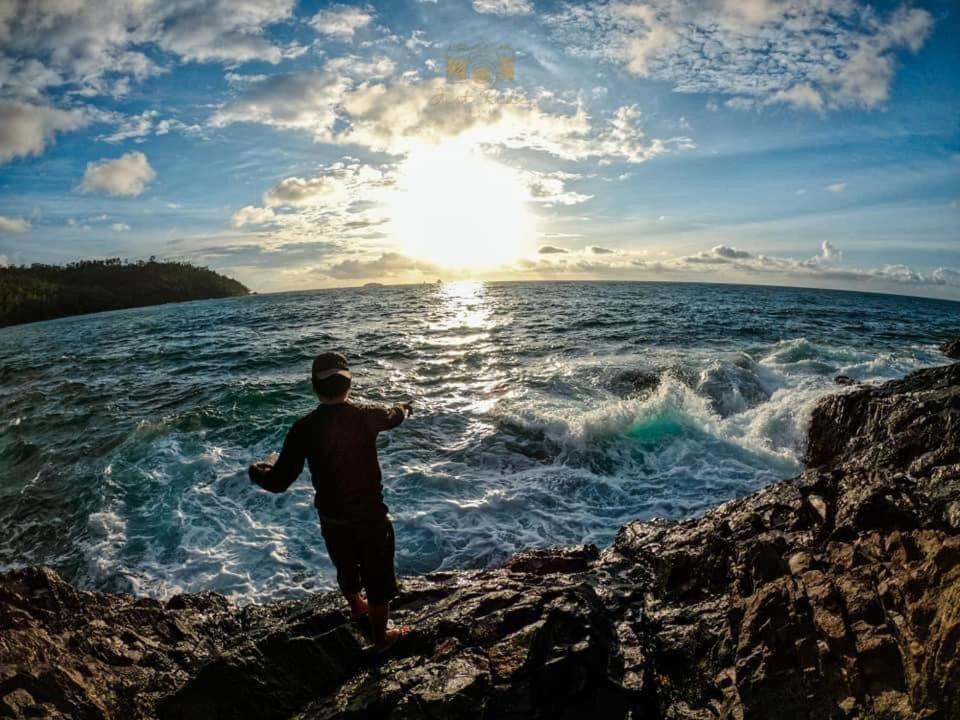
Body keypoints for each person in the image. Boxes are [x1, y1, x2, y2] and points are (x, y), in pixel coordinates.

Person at [248, 351, 413, 653]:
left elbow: (279, 481)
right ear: (349, 384)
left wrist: (257, 470)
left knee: (345, 567)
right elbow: (394, 415)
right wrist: (405, 406)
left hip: (333, 520)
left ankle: (355, 606)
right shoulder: (366, 415)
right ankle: (380, 639)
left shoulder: (303, 428)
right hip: (370, 519)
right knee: (377, 578)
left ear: (314, 386)